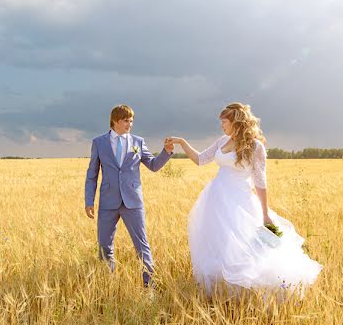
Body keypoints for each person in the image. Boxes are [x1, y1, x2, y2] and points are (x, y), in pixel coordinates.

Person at [168, 103, 322, 295]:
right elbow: (200, 159)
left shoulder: (255, 147)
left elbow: (260, 181)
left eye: (224, 121)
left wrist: (265, 214)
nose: (221, 125)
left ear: (236, 122)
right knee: (219, 245)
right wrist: (182, 142)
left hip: (240, 202)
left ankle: (247, 290)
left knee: (243, 246)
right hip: (216, 201)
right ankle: (222, 290)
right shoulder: (222, 141)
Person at [85, 104, 174, 287]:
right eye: (126, 120)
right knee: (104, 246)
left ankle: (150, 285)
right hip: (108, 202)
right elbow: (92, 174)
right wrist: (89, 201)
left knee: (142, 245)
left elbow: (153, 165)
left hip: (133, 201)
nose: (130, 124)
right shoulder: (99, 142)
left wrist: (167, 152)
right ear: (115, 121)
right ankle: (107, 283)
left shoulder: (138, 142)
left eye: (131, 121)